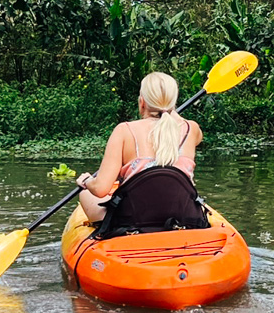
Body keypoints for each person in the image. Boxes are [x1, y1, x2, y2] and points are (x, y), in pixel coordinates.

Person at [75, 71, 202, 222]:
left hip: (132, 219)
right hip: (184, 215)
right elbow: (196, 137)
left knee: (85, 193)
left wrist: (87, 181)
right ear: (173, 103)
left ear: (142, 102)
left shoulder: (124, 130)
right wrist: (170, 112)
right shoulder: (191, 129)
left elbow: (101, 189)